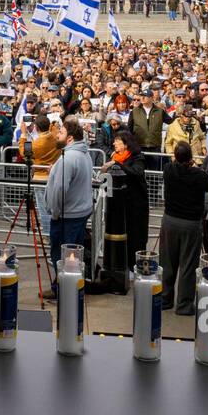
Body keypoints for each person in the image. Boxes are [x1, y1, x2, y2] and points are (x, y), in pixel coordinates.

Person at [159, 140, 208, 313]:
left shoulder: (169, 170)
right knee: (188, 264)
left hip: (170, 220)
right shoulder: (199, 175)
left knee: (167, 261)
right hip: (191, 223)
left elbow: (175, 167)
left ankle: (165, 298)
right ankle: (184, 304)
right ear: (190, 157)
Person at [43, 118, 94, 300]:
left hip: (67, 215)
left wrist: (55, 212)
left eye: (61, 133)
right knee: (73, 255)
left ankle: (63, 291)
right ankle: (67, 289)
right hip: (77, 213)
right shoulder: (82, 154)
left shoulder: (69, 158)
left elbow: (59, 190)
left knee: (63, 256)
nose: (57, 135)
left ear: (70, 138)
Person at [99, 129, 149, 289]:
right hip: (120, 204)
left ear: (126, 144)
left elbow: (137, 172)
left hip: (136, 205)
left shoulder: (137, 157)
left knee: (136, 236)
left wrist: (117, 164)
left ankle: (135, 266)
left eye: (117, 141)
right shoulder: (115, 157)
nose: (114, 144)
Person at [129, 88, 169, 153]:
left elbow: (171, 122)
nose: (142, 98)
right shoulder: (134, 112)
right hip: (139, 146)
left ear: (151, 98)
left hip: (155, 146)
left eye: (145, 96)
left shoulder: (160, 111)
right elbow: (129, 129)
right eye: (141, 96)